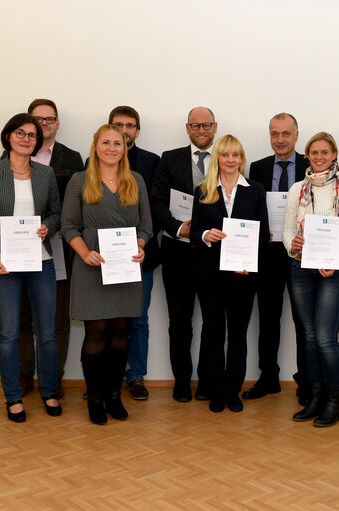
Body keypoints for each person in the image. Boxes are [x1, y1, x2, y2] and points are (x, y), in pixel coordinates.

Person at [0, 113, 61, 422]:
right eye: (19, 133)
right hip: (4, 265)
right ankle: (13, 397)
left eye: (32, 135)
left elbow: (56, 214)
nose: (25, 138)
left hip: (41, 262)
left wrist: (47, 227)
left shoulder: (45, 174)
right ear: (8, 136)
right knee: (8, 332)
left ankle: (49, 392)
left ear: (38, 141)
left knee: (47, 332)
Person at [61, 124, 152, 425]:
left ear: (125, 148)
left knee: (121, 333)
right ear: (96, 146)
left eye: (117, 143)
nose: (112, 148)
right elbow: (69, 225)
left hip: (125, 267)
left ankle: (114, 395)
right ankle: (95, 397)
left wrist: (140, 247)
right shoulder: (79, 180)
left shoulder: (135, 180)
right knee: (96, 333)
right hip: (92, 267)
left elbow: (145, 226)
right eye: (106, 142)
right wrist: (84, 252)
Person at [283, 132, 339, 427]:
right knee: (307, 337)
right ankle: (315, 397)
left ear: (334, 155)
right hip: (301, 269)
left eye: (324, 152)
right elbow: (287, 232)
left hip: (338, 270)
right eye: (314, 153)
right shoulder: (298, 189)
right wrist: (291, 245)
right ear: (309, 156)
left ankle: (334, 402)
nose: (319, 157)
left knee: (324, 337)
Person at [190, 134, 270, 413]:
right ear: (217, 159)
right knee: (213, 333)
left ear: (241, 159)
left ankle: (232, 390)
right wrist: (206, 235)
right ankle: (214, 389)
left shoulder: (255, 189)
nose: (231, 160)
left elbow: (262, 234)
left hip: (243, 274)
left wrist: (250, 262)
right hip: (210, 274)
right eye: (225, 155)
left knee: (237, 334)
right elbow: (195, 232)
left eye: (236, 155)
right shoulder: (203, 190)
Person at [14, 99, 84, 400]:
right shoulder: (10, 157)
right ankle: (25, 373)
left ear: (57, 123)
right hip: (17, 249)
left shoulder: (72, 157)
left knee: (57, 319)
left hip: (59, 250)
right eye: (38, 119)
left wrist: (52, 226)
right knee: (22, 318)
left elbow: (80, 203)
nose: (44, 124)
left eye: (50, 118)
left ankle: (53, 377)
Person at [150, 107, 217, 402]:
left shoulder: (228, 157)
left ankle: (206, 381)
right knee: (179, 321)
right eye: (195, 125)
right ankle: (181, 382)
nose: (201, 130)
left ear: (215, 127)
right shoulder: (169, 158)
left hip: (214, 252)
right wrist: (180, 229)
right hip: (177, 252)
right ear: (187, 128)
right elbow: (157, 201)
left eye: (206, 125)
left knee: (212, 321)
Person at [245, 113, 309, 404]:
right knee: (268, 319)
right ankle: (268, 376)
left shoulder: (312, 166)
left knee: (303, 321)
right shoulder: (257, 168)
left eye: (286, 134)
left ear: (297, 135)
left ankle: (306, 380)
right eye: (274, 134)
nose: (280, 140)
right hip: (268, 254)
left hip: (301, 254)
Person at [109, 105, 161, 401]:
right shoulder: (94, 160)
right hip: (105, 257)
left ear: (137, 131)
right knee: (106, 317)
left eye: (130, 126)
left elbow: (153, 209)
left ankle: (136, 375)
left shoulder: (153, 162)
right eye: (119, 125)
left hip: (142, 255)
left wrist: (139, 242)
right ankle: (107, 375)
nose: (125, 130)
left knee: (138, 318)